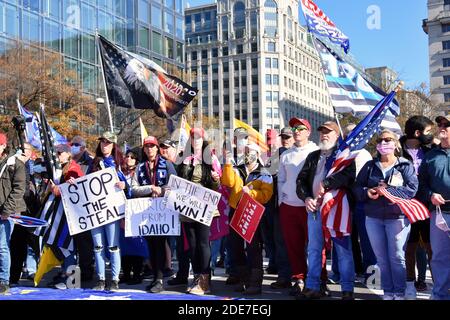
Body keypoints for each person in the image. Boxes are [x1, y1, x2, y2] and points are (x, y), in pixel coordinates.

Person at [354, 129, 418, 300]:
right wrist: (368, 192)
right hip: (373, 218)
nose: (383, 143)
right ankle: (388, 293)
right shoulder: (369, 166)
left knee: (397, 257)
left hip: (397, 218)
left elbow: (412, 190)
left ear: (396, 144)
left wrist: (388, 191)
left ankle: (400, 292)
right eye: (380, 140)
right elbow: (357, 188)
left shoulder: (405, 165)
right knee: (381, 258)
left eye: (388, 140)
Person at [296, 121, 356, 300]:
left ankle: (347, 289)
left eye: (328, 132)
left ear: (337, 135)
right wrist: (306, 198)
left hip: (337, 208)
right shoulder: (313, 156)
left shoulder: (344, 156)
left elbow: (348, 177)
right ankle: (312, 286)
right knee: (314, 249)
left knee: (343, 250)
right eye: (322, 131)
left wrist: (328, 183)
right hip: (314, 209)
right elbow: (301, 181)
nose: (324, 135)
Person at [221, 142, 273, 295]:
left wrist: (251, 194)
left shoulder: (264, 172)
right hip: (236, 210)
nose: (247, 154)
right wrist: (228, 162)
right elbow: (227, 181)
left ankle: (255, 283)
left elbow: (267, 195)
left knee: (253, 248)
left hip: (252, 212)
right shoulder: (237, 169)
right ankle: (244, 278)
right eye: (245, 151)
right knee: (235, 246)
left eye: (250, 151)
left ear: (257, 154)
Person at [277, 118, 318, 294]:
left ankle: (318, 280)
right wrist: (281, 201)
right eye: (294, 128)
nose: (297, 131)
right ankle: (299, 278)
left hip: (309, 206)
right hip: (289, 206)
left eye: (301, 128)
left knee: (315, 246)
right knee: (293, 244)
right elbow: (281, 180)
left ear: (308, 132)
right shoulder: (286, 154)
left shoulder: (316, 151)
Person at [177, 127, 221, 295]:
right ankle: (196, 277)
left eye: (199, 138)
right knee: (193, 244)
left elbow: (216, 186)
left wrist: (216, 179)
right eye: (193, 138)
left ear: (203, 140)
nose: (196, 141)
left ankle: (205, 280)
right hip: (187, 206)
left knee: (203, 243)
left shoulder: (210, 158)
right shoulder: (183, 158)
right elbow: (178, 180)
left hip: (204, 205)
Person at [131, 136, 176, 293]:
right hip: (147, 211)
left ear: (157, 148)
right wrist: (150, 188)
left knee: (160, 244)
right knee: (151, 245)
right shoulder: (140, 167)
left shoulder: (167, 165)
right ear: (144, 149)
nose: (150, 149)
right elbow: (133, 189)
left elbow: (176, 187)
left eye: (152, 146)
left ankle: (159, 278)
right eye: (147, 146)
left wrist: (162, 190)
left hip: (163, 211)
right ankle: (156, 277)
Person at [331, 124, 376, 284]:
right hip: (343, 201)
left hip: (362, 203)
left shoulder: (363, 154)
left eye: (354, 132)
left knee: (367, 241)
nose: (351, 135)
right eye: (349, 133)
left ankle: (372, 276)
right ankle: (338, 273)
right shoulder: (340, 153)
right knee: (341, 238)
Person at [88, 131, 129, 291]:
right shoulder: (94, 164)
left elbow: (130, 186)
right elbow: (85, 186)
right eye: (102, 142)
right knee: (97, 247)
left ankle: (114, 279)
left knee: (113, 246)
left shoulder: (119, 164)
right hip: (96, 212)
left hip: (112, 212)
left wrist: (125, 186)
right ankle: (100, 279)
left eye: (107, 142)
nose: (104, 145)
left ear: (113, 145)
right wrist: (73, 183)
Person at [400, 116, 435, 297]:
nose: (432, 135)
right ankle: (410, 285)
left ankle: (438, 286)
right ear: (417, 133)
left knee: (432, 248)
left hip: (428, 206)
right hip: (405, 208)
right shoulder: (396, 149)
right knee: (409, 248)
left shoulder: (431, 150)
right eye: (429, 132)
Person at [418, 115, 450, 300]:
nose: (442, 127)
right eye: (440, 124)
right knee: (439, 258)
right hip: (439, 215)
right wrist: (430, 194)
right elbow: (421, 185)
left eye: (447, 124)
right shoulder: (430, 156)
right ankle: (439, 295)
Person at [47, 143, 85, 289]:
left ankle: (72, 281)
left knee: (68, 245)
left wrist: (55, 189)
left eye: (60, 153)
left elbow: (71, 189)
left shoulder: (73, 169)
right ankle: (66, 276)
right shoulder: (64, 168)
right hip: (65, 213)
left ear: (68, 154)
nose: (58, 156)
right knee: (63, 245)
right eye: (57, 153)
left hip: (71, 214)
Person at [9, 143, 41, 285]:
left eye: (24, 150)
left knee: (28, 245)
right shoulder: (13, 165)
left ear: (30, 153)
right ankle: (12, 276)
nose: (20, 152)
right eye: (19, 149)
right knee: (14, 244)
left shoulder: (34, 168)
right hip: (16, 209)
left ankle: (27, 273)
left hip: (30, 212)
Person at [0, 133, 26, 295]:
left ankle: (3, 281)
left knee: (2, 246)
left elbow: (18, 189)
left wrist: (7, 210)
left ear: (3, 146)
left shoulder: (14, 164)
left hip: (6, 212)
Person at [120, 149, 148, 285]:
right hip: (122, 211)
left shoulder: (140, 172)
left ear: (137, 160)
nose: (129, 159)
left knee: (137, 244)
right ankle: (126, 274)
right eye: (127, 156)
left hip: (137, 211)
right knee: (124, 245)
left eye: (132, 157)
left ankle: (137, 273)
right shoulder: (119, 172)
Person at [69, 135, 95, 282]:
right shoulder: (67, 162)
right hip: (70, 208)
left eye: (76, 144)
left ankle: (86, 272)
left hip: (85, 209)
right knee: (70, 244)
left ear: (83, 148)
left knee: (85, 243)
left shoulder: (90, 163)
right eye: (72, 144)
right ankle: (71, 275)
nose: (73, 146)